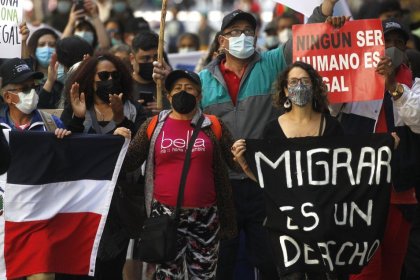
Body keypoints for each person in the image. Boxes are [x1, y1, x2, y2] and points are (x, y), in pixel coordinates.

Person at [153, 3, 346, 279]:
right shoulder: (204, 81)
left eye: (248, 31)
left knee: (270, 261)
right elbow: (183, 121)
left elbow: (305, 37)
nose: (242, 36)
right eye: (234, 32)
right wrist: (166, 88)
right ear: (221, 40)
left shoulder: (273, 63)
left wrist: (325, 9)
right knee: (221, 262)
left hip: (264, 183)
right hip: (221, 187)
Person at [232, 61, 347, 279]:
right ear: (285, 90)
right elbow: (271, 182)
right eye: (293, 82)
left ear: (314, 87)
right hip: (287, 224)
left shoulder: (332, 127)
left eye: (305, 81)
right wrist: (245, 165)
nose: (299, 86)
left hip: (324, 222)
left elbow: (345, 173)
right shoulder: (272, 129)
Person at [123, 69, 237, 279]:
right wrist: (120, 133)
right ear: (168, 96)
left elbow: (237, 162)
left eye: (189, 88)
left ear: (199, 95)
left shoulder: (214, 125)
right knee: (168, 275)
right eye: (177, 89)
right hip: (165, 217)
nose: (183, 92)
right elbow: (129, 162)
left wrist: (245, 151)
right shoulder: (153, 125)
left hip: (206, 216)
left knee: (204, 275)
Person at [329, 18, 420, 280]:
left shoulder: (413, 82)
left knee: (393, 267)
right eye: (385, 41)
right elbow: (328, 109)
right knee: (363, 271)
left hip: (399, 193)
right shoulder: (352, 75)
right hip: (358, 192)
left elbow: (417, 119)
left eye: (398, 43)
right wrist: (336, 40)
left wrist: (393, 87)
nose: (391, 47)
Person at [57, 53, 147, 280]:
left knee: (110, 269)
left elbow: (139, 151)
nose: (110, 80)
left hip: (118, 207)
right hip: (82, 203)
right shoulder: (78, 107)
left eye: (115, 76)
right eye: (103, 76)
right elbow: (67, 153)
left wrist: (121, 120)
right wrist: (76, 120)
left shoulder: (133, 110)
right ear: (91, 79)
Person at [0, 58, 69, 136]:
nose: (32, 92)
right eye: (25, 89)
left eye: (33, 87)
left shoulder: (53, 125)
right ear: (7, 97)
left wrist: (61, 141)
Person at [26, 28, 64, 109]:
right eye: (42, 44)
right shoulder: (26, 78)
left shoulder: (62, 78)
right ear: (34, 48)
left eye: (52, 45)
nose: (47, 49)